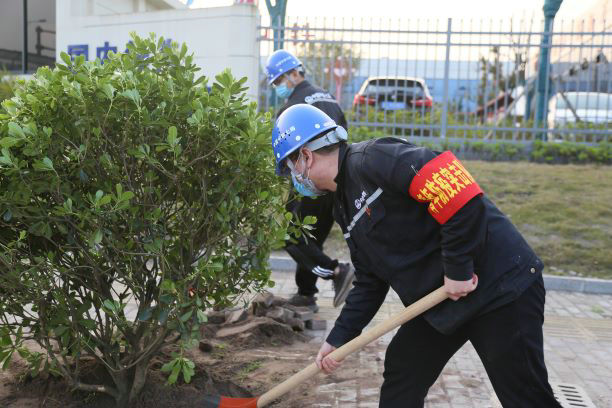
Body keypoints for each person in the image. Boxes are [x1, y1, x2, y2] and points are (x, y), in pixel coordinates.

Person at [271, 103, 562, 408]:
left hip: (499, 288)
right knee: (404, 369)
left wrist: (458, 269)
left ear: (306, 156)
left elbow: (458, 191)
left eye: (290, 168)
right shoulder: (342, 206)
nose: (293, 178)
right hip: (443, 299)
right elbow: (370, 281)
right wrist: (339, 338)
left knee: (524, 397)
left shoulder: (374, 159)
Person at [265, 49, 354, 312]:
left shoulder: (293, 107)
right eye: (275, 83)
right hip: (337, 179)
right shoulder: (328, 97)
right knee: (312, 238)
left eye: (279, 80)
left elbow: (290, 155)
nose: (279, 86)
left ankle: (336, 271)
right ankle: (306, 293)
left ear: (295, 73)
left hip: (310, 179)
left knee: (293, 236)